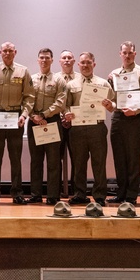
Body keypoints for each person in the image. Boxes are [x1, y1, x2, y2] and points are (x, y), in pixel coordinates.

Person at [0, 42, 33, 205]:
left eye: (10, 51)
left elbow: (29, 96)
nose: (7, 53)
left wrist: (24, 115)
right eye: (5, 51)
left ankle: (17, 193)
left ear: (15, 52)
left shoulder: (23, 71)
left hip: (15, 117)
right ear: (0, 52)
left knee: (15, 158)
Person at [62, 52, 116, 206]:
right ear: (78, 65)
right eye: (82, 63)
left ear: (94, 64)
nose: (85, 65)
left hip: (97, 128)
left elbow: (114, 105)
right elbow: (65, 105)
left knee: (99, 163)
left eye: (88, 62)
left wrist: (109, 105)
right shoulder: (71, 85)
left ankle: (99, 195)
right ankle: (79, 194)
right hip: (77, 128)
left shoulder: (103, 83)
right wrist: (67, 113)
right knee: (78, 163)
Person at [106, 41, 140, 205]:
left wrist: (136, 110)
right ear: (120, 54)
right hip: (118, 117)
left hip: (135, 118)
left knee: (133, 157)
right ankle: (121, 193)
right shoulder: (114, 74)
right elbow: (111, 99)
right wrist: (109, 83)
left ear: (135, 54)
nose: (127, 55)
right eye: (124, 53)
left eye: (130, 53)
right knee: (119, 157)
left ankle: (131, 195)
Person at [27, 48, 66, 205]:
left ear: (52, 60)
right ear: (38, 60)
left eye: (47, 58)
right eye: (41, 58)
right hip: (34, 122)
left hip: (52, 122)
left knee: (53, 161)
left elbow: (60, 102)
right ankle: (36, 194)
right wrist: (33, 116)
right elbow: (26, 100)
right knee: (36, 160)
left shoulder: (59, 80)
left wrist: (44, 115)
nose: (44, 60)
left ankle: (52, 195)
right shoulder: (31, 79)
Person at [56, 50, 81, 197]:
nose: (66, 60)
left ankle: (76, 191)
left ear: (74, 61)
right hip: (57, 122)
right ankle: (56, 190)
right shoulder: (54, 78)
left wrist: (72, 117)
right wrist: (63, 116)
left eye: (69, 58)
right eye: (64, 58)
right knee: (55, 158)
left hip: (76, 123)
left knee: (77, 158)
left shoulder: (80, 78)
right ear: (59, 61)